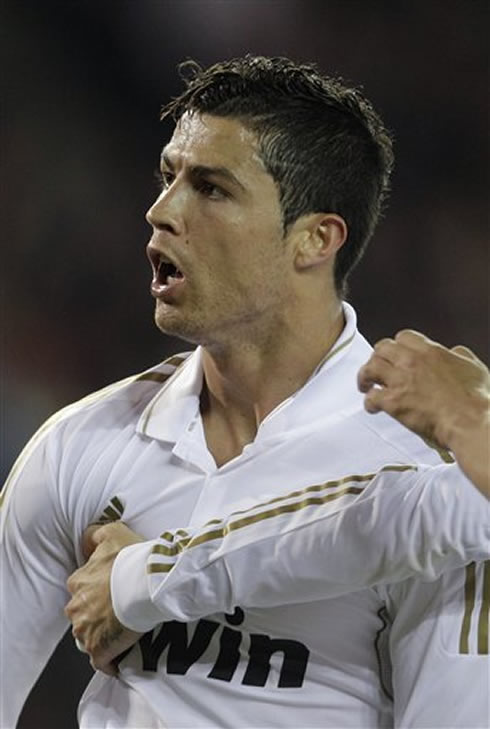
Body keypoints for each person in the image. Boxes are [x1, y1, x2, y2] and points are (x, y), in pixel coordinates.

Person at [0, 56, 487, 729]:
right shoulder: (79, 443)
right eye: (168, 176)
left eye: (211, 188)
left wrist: (143, 580)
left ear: (316, 238)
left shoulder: (427, 459)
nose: (161, 210)